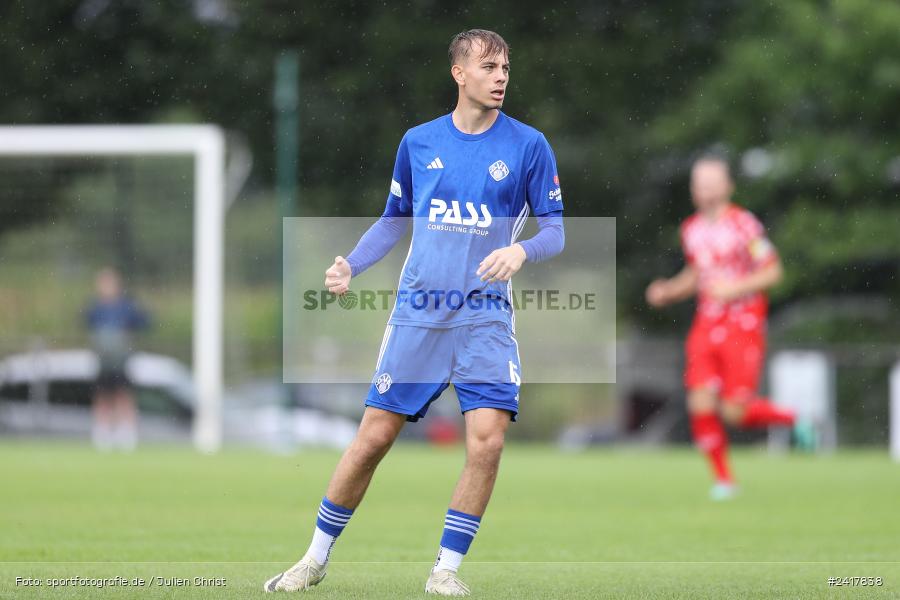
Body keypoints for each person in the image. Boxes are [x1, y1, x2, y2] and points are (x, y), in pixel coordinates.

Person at [265, 29, 565, 595]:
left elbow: (556, 231)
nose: (501, 76)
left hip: (484, 319)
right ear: (459, 73)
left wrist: (520, 250)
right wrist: (351, 265)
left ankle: (445, 571)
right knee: (374, 438)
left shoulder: (528, 146)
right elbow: (394, 218)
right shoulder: (419, 142)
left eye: (506, 67)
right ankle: (314, 558)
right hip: (419, 314)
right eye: (489, 66)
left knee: (488, 440)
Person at [645, 156, 804, 501]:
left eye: (710, 182)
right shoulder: (691, 228)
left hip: (742, 323)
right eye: (698, 183)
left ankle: (795, 419)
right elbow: (697, 274)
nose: (703, 189)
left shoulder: (744, 224)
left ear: (727, 186)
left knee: (735, 412)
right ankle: (724, 480)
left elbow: (772, 271)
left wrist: (735, 288)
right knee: (699, 400)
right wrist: (669, 290)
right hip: (707, 322)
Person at [84, 267, 149, 451]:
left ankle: (126, 433)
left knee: (123, 395)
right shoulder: (95, 307)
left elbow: (143, 322)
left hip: (121, 360)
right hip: (103, 360)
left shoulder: (126, 307)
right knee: (102, 395)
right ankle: (102, 433)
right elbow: (88, 324)